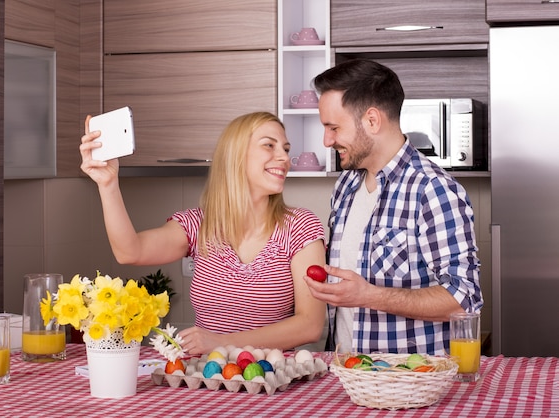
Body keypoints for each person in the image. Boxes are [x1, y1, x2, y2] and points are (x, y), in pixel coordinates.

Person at [80, 111, 326, 355]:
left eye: (285, 148)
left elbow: (310, 325)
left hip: (275, 380)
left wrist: (223, 343)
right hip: (208, 379)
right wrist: (108, 184)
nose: (284, 157)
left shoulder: (300, 227)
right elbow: (129, 252)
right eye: (269, 146)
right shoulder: (197, 226)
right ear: (235, 155)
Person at [303, 59, 483, 355]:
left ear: (372, 121)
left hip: (410, 384)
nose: (327, 140)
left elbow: (463, 299)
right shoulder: (346, 185)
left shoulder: (433, 190)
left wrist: (370, 296)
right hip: (348, 377)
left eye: (334, 127)